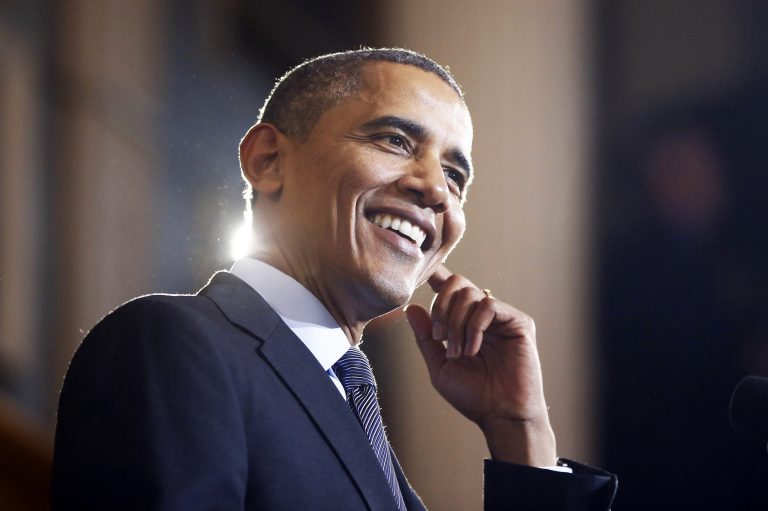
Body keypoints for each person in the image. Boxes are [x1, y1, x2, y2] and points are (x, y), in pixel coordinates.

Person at [51, 48, 617, 510]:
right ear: (268, 160)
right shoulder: (173, 343)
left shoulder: (358, 420)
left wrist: (520, 431)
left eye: (454, 175)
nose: (436, 190)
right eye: (395, 141)